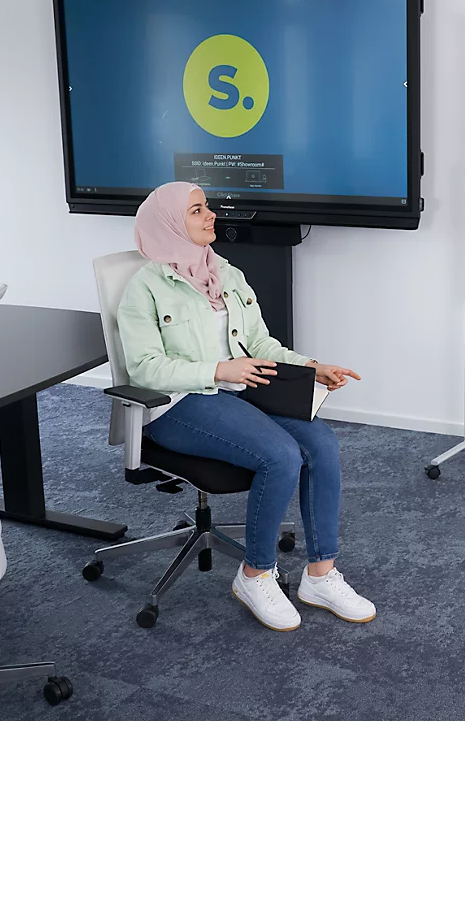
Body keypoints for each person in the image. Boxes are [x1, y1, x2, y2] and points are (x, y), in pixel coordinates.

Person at [116, 181, 374, 632]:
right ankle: (254, 574)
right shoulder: (146, 288)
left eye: (207, 207)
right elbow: (143, 368)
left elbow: (260, 344)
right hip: (179, 404)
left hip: (238, 390)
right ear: (171, 223)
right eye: (197, 210)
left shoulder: (226, 273)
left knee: (322, 443)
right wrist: (219, 370)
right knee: (280, 454)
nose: (211, 215)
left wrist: (311, 368)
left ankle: (320, 575)